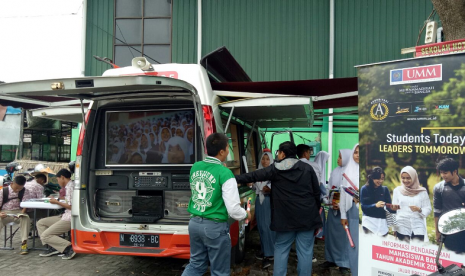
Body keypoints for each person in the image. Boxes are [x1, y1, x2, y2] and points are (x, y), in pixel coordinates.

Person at [236, 141, 321, 276]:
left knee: (281, 248)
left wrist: (232, 178)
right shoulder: (307, 168)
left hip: (285, 218)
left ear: (282, 153)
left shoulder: (275, 168)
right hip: (307, 216)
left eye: (278, 152)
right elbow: (317, 193)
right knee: (305, 251)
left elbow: (254, 176)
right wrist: (315, 212)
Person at [182, 133, 250, 276]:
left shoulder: (195, 166)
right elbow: (233, 209)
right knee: (219, 271)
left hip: (194, 223)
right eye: (227, 148)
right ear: (221, 152)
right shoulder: (225, 173)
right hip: (214, 227)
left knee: (195, 265)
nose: (228, 150)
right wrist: (245, 214)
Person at [319, 149, 352, 274]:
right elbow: (329, 189)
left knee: (344, 237)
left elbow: (352, 193)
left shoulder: (352, 173)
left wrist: (342, 203)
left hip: (345, 212)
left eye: (340, 157)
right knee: (331, 235)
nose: (338, 159)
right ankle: (331, 258)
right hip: (333, 210)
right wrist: (329, 199)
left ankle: (344, 262)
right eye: (338, 157)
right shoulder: (334, 172)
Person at [36, 169, 76, 260]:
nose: (58, 182)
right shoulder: (69, 186)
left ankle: (69, 248)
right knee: (41, 223)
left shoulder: (70, 187)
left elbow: (72, 207)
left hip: (70, 218)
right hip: (65, 215)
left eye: (58, 179)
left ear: (62, 177)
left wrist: (56, 202)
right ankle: (55, 247)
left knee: (45, 236)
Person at [433, 158, 465, 254]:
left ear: (454, 171)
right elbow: (437, 211)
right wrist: (437, 232)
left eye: (445, 173)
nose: (443, 175)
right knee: (452, 260)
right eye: (441, 173)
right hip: (449, 230)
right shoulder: (439, 188)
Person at [392, 166, 431, 243]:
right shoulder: (397, 191)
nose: (405, 180)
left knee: (417, 252)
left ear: (414, 177)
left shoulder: (422, 191)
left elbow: (428, 208)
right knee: (403, 252)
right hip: (402, 225)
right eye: (403, 178)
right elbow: (394, 211)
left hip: (418, 226)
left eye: (408, 178)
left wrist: (419, 209)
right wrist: (394, 228)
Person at [252, 149, 276, 269]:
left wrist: (270, 189)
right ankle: (264, 250)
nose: (265, 161)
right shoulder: (257, 172)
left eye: (267, 159)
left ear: (271, 160)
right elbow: (254, 188)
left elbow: (277, 187)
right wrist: (250, 184)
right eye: (263, 158)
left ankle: (269, 254)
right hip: (259, 200)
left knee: (267, 226)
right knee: (261, 226)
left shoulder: (273, 173)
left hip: (267, 200)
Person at [339, 144, 359, 276]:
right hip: (353, 212)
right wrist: (343, 215)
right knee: (354, 245)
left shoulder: (371, 171)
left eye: (361, 152)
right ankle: (355, 272)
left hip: (368, 214)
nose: (358, 155)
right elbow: (342, 195)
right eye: (356, 152)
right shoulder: (348, 172)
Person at [0, 175, 31, 254]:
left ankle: (24, 243)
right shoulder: (3, 191)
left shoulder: (25, 191)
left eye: (19, 188)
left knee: (26, 218)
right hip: (5, 212)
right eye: (16, 187)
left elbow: (25, 204)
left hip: (18, 212)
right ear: (12, 183)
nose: (17, 190)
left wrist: (22, 213)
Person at [360, 167, 394, 236]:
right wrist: (375, 205)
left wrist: (392, 207)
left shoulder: (385, 189)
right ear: (372, 178)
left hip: (382, 225)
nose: (380, 181)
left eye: (382, 178)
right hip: (369, 223)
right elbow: (363, 207)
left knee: (380, 246)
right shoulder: (364, 189)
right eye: (378, 178)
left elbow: (389, 207)